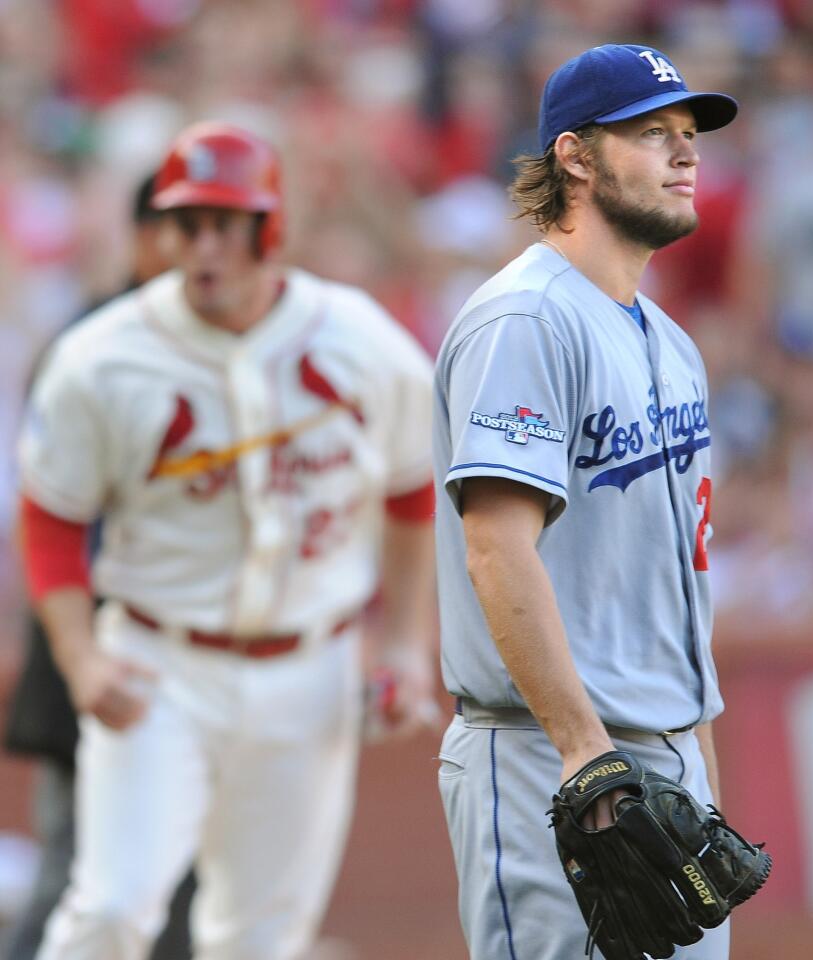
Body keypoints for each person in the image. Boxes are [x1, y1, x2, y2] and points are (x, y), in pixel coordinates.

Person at [17, 121, 437, 960]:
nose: (205, 245)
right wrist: (79, 658)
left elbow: (412, 490)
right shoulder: (104, 355)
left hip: (308, 669)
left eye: (227, 223)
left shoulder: (356, 339)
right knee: (110, 907)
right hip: (157, 660)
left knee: (260, 938)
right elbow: (51, 516)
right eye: (188, 223)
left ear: (270, 227)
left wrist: (402, 644)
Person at [432, 43, 738, 959]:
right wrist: (584, 754)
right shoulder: (524, 320)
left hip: (665, 760)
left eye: (688, 134)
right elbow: (497, 548)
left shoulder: (670, 342)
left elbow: (681, 577)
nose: (685, 154)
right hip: (548, 758)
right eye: (652, 133)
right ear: (574, 155)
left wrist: (699, 773)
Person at [3, 173, 197, 960]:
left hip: (189, 662)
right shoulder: (91, 344)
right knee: (82, 876)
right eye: (192, 228)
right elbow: (57, 520)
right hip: (98, 649)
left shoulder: (222, 341)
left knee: (186, 890)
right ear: (148, 236)